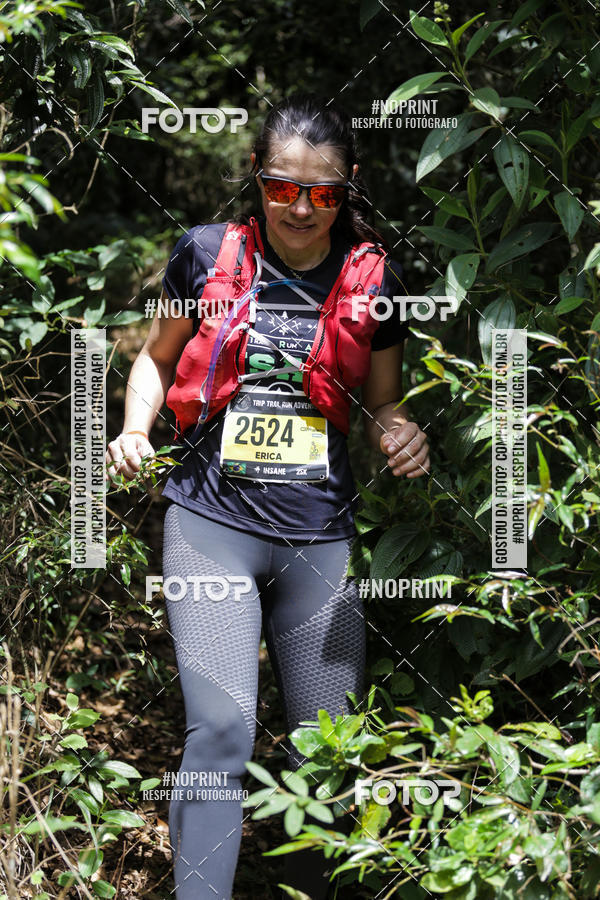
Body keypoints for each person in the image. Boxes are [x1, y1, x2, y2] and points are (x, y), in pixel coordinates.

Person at [106, 92, 430, 900]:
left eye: (323, 194)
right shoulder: (204, 254)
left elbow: (384, 402)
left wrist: (402, 432)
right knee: (220, 730)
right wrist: (136, 428)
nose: (301, 208)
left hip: (320, 534)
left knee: (325, 750)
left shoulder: (374, 279)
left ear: (348, 188)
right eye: (283, 186)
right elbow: (155, 359)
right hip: (212, 522)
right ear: (256, 176)